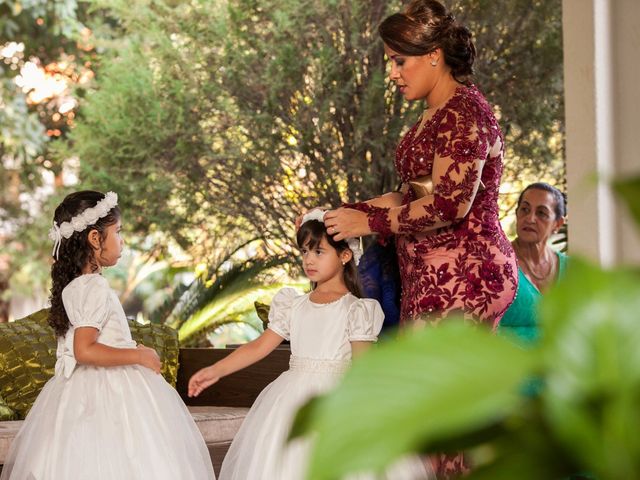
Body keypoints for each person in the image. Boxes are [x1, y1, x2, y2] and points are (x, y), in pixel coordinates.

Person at [189, 211, 431, 480]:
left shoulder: (357, 309)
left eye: (319, 251)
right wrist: (216, 371)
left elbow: (364, 367)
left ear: (344, 255)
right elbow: (259, 347)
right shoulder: (293, 305)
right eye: (304, 251)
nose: (308, 260)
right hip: (290, 404)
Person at [322, 0, 518, 332]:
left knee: (442, 382)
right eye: (390, 62)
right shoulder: (433, 113)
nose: (393, 74)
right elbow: (406, 198)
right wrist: (336, 217)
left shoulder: (464, 111)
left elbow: (448, 204)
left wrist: (368, 221)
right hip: (431, 274)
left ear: (434, 55)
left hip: (464, 272)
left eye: (400, 61)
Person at [0, 191, 215, 480]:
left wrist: (127, 345)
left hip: (77, 394)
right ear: (94, 238)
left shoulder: (75, 286)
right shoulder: (94, 287)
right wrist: (140, 354)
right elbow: (85, 350)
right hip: (110, 393)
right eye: (118, 232)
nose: (122, 240)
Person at [499, 183, 567, 343]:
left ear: (557, 224)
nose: (530, 219)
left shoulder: (572, 271)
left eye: (541, 213)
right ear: (516, 214)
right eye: (525, 209)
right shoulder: (496, 263)